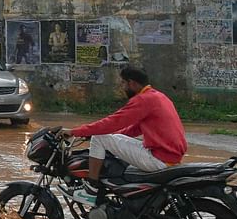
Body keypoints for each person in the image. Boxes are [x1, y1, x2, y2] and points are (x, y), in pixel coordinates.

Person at [69, 66, 187, 207]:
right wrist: (110, 135)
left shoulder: (143, 100)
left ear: (132, 83)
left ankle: (91, 188)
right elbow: (134, 129)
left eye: (124, 83)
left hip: (159, 158)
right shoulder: (159, 97)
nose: (123, 87)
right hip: (169, 157)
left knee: (98, 138)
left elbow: (112, 122)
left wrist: (76, 132)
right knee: (103, 137)